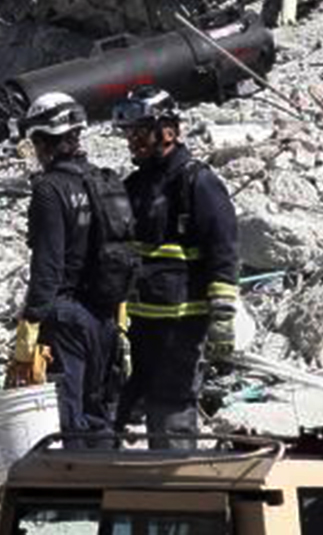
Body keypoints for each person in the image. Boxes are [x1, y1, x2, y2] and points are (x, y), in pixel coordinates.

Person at [112, 87, 238, 450]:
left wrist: (223, 317)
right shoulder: (136, 185)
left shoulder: (197, 182)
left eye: (140, 132)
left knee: (172, 404)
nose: (132, 141)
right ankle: (149, 483)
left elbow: (223, 249)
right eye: (129, 134)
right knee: (139, 399)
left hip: (184, 320)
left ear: (168, 132)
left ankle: (177, 485)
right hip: (143, 321)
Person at [16, 91, 133, 445]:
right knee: (99, 414)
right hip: (106, 317)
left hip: (66, 318)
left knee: (69, 420)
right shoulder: (102, 181)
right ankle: (110, 488)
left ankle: (78, 495)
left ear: (43, 140)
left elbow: (48, 265)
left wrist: (30, 324)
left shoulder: (50, 189)